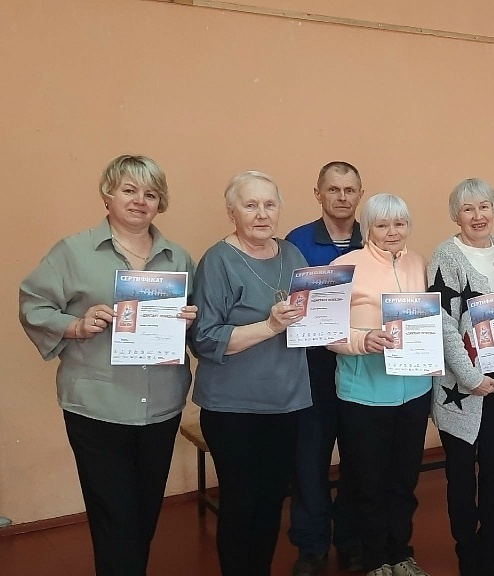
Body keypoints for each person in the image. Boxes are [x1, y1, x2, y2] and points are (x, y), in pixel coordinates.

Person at [19, 155, 197, 576]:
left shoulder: (177, 258)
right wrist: (76, 326)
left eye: (150, 194)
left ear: (160, 202)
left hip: (161, 405)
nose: (140, 201)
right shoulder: (73, 251)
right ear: (108, 195)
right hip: (97, 405)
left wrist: (190, 319)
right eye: (129, 190)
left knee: (145, 512)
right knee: (114, 516)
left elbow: (192, 324)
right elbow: (33, 305)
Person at [189, 171, 311, 576]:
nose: (262, 214)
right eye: (250, 205)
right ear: (232, 212)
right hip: (233, 408)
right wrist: (271, 326)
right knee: (240, 503)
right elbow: (205, 339)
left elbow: (311, 319)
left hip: (287, 401)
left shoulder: (292, 254)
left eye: (269, 205)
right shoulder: (218, 260)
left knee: (273, 501)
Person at [428, 178, 494, 576]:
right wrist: (471, 377)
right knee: (461, 474)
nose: (478, 216)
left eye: (484, 206)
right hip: (461, 385)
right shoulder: (445, 255)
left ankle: (490, 551)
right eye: (468, 208)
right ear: (455, 215)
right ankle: (467, 551)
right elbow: (443, 325)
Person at [327, 193, 432, 576]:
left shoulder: (419, 262)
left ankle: (401, 553)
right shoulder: (344, 267)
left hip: (414, 393)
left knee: (404, 483)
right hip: (363, 395)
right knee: (367, 485)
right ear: (367, 228)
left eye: (399, 224)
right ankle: (374, 559)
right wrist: (362, 340)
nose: (392, 232)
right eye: (382, 224)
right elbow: (325, 331)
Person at [285, 161, 365, 575]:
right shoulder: (296, 242)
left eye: (349, 190)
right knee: (309, 460)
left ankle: (351, 541)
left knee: (357, 458)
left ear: (360, 195)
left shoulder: (375, 237)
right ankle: (311, 545)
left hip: (361, 368)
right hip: (312, 369)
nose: (342, 197)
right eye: (333, 189)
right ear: (318, 193)